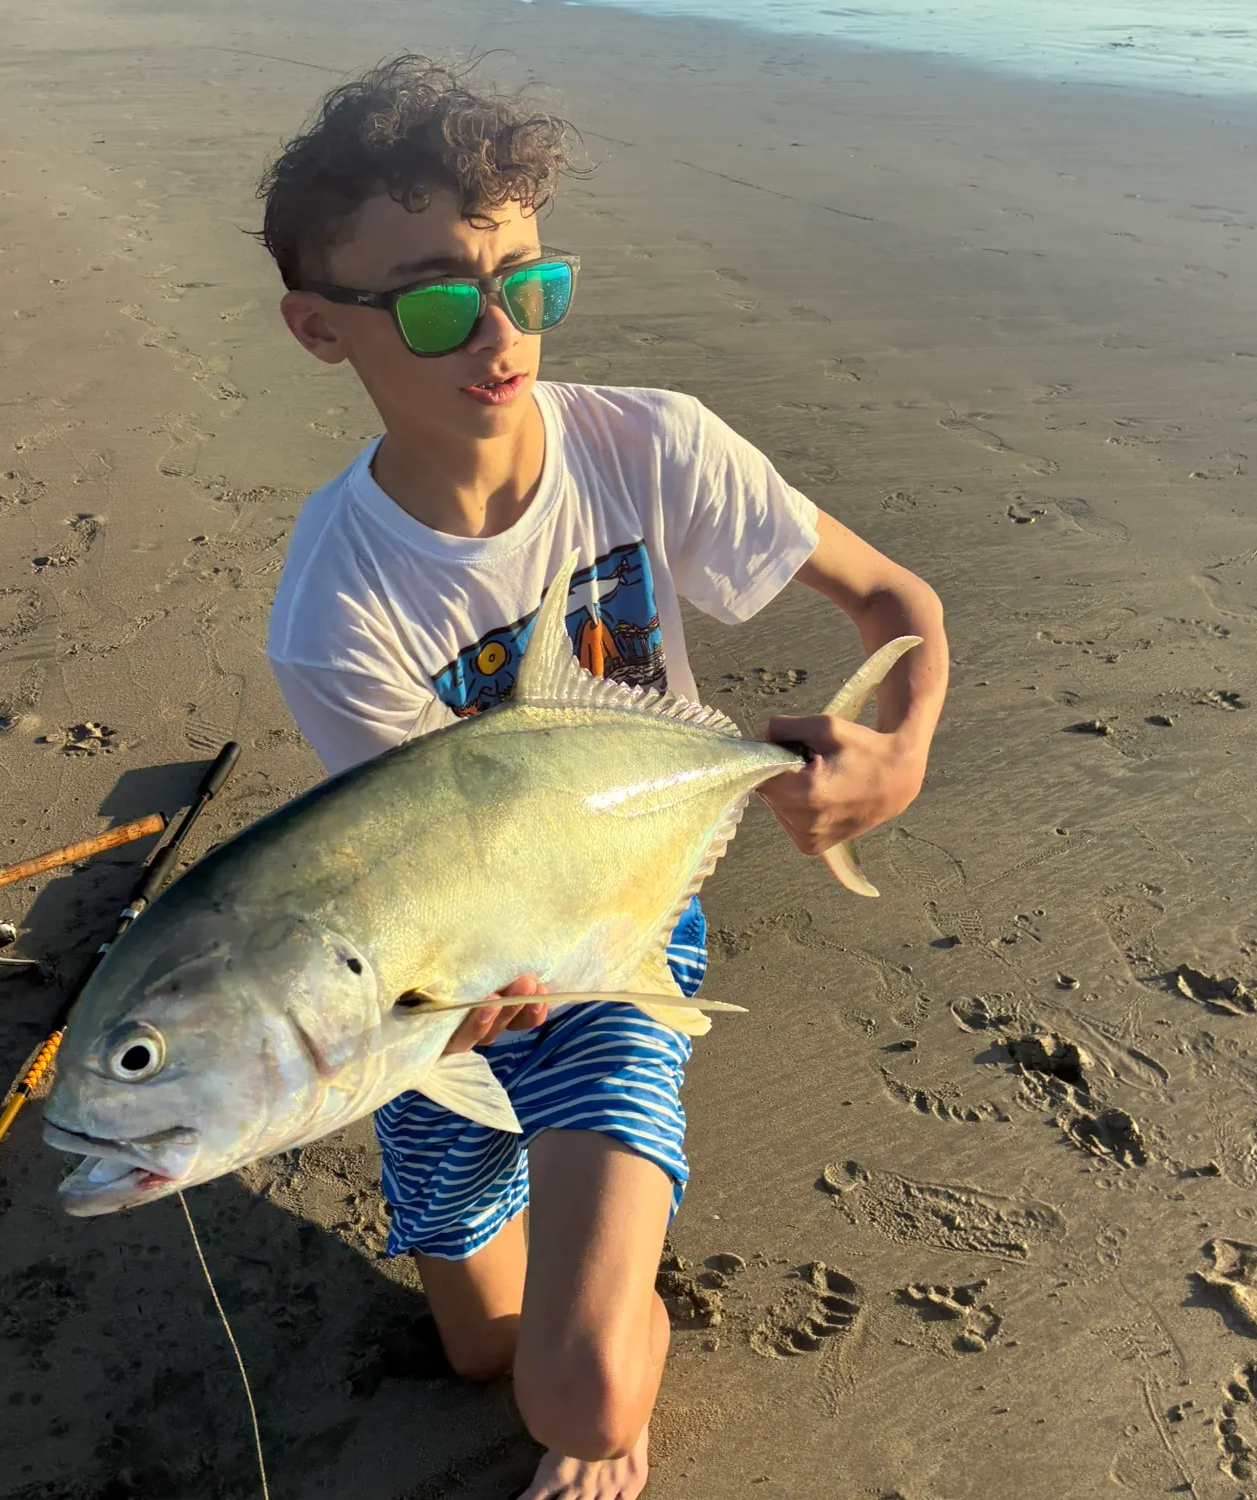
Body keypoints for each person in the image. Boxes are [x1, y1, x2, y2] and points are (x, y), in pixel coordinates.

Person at [259, 53, 946, 1500]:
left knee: (569, 1395)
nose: (502, 335)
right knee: (476, 1358)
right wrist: (456, 1005)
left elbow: (900, 607)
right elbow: (435, 878)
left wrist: (895, 750)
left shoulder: (650, 445)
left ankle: (608, 1332)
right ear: (320, 330)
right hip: (448, 987)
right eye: (442, 300)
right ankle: (567, 1240)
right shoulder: (337, 610)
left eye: (533, 284)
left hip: (629, 934)